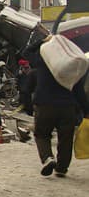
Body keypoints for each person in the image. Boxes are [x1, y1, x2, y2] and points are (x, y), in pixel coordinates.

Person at [24, 38, 89, 177]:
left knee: (42, 134)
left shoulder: (42, 62)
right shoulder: (72, 69)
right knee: (66, 138)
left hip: (45, 105)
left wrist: (41, 40)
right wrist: (86, 110)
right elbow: (79, 92)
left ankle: (48, 158)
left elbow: (27, 51)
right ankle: (61, 168)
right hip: (68, 107)